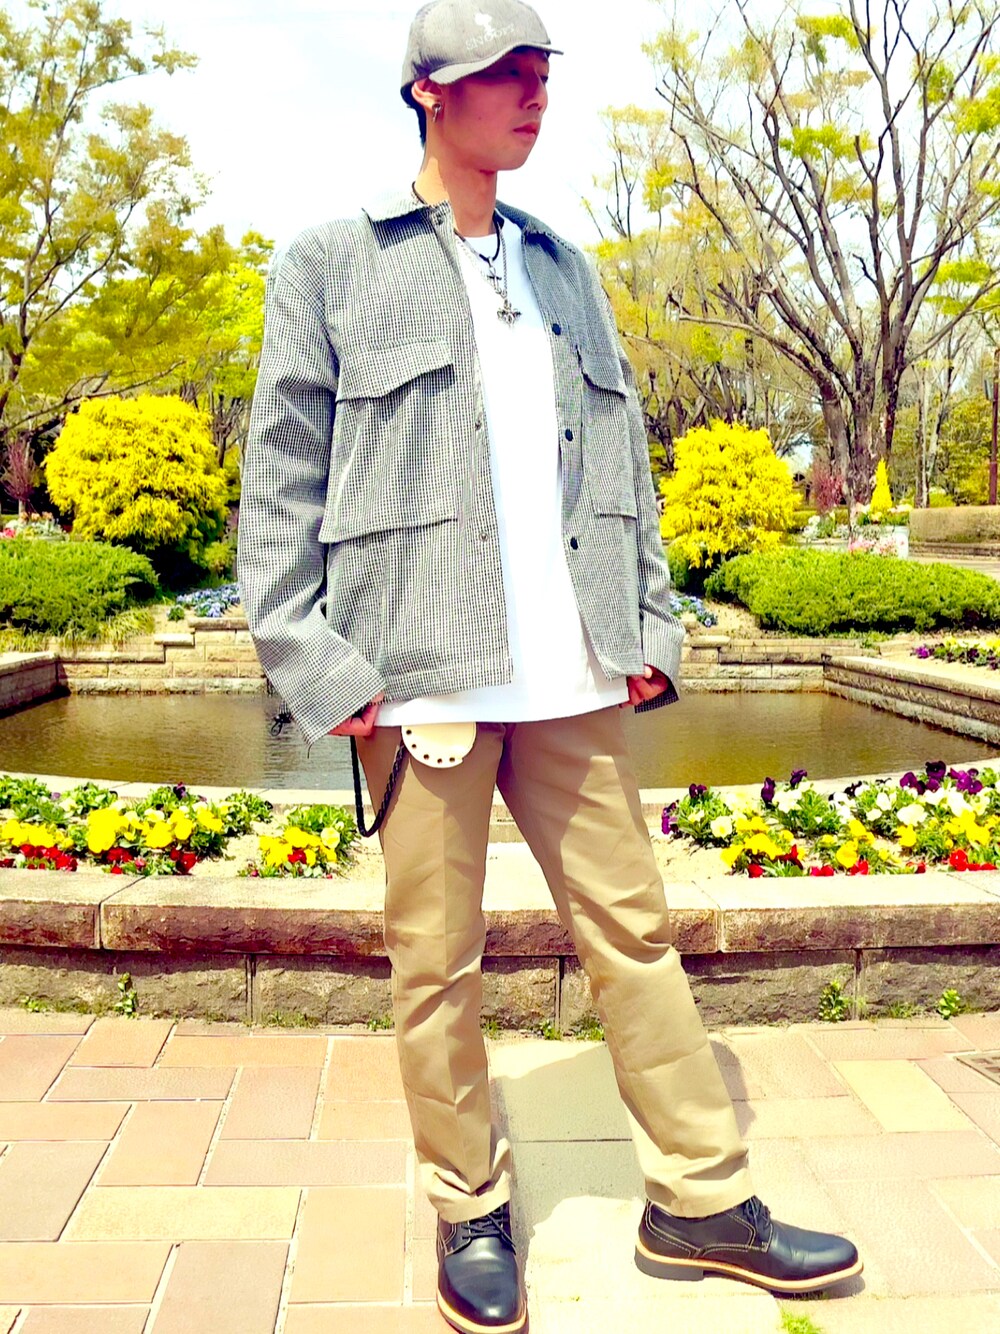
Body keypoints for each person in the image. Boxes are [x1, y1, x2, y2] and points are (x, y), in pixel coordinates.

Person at [238, 2, 862, 1330]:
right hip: (422, 679)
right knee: (437, 963)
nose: (532, 93)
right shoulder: (332, 262)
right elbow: (281, 481)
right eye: (502, 73)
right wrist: (317, 661)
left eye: (539, 71)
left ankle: (701, 1199)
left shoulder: (565, 268)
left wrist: (649, 628)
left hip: (574, 674)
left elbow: (622, 458)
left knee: (636, 936)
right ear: (428, 92)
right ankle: (469, 1204)